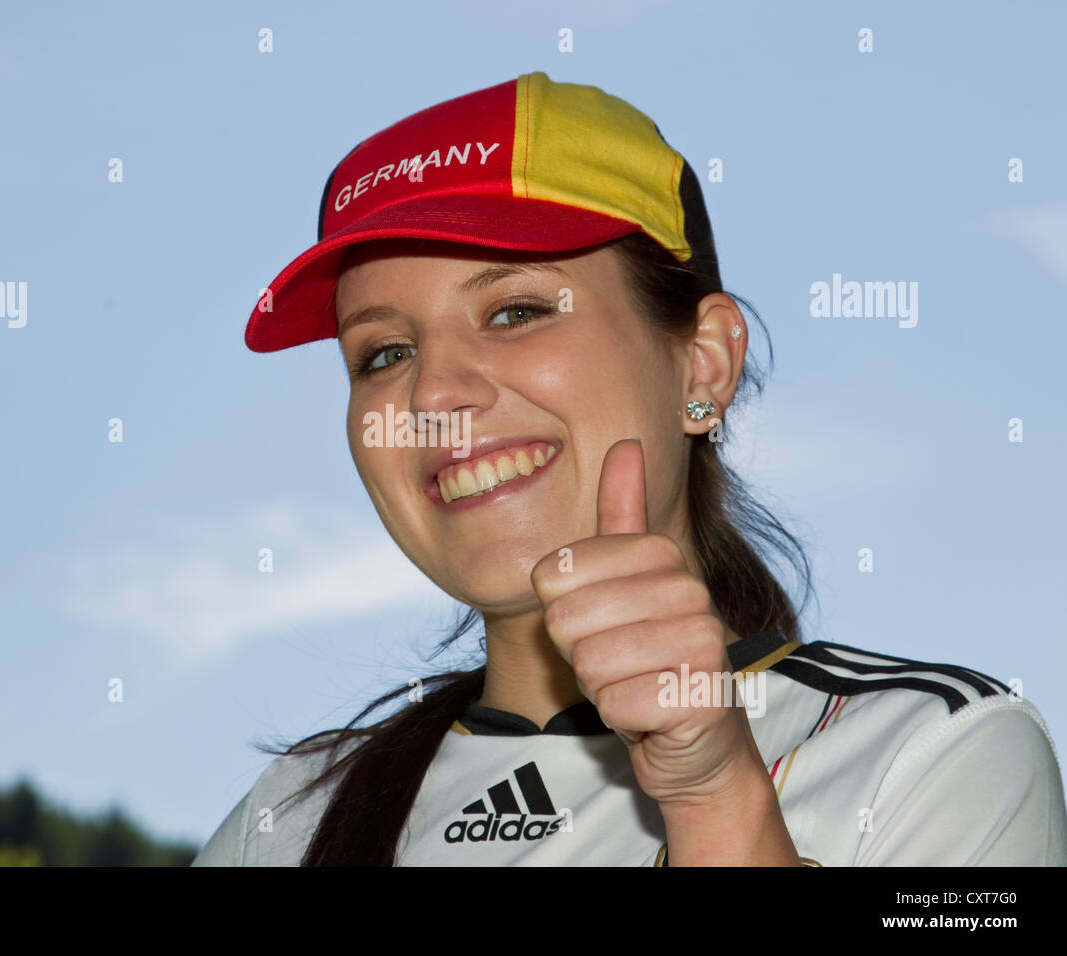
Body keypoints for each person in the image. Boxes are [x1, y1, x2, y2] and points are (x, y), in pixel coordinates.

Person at [194, 71, 1067, 866]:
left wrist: (718, 808)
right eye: (383, 354)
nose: (436, 392)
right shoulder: (290, 819)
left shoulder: (937, 754)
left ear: (705, 363)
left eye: (516, 310)